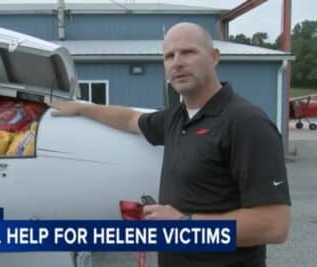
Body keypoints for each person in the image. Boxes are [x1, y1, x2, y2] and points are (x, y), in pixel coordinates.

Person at [49, 22, 290, 267]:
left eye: (188, 52)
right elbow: (131, 119)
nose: (177, 62)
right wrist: (82, 108)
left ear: (214, 57)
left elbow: (273, 225)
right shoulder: (177, 117)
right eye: (169, 56)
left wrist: (184, 223)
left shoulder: (247, 123)